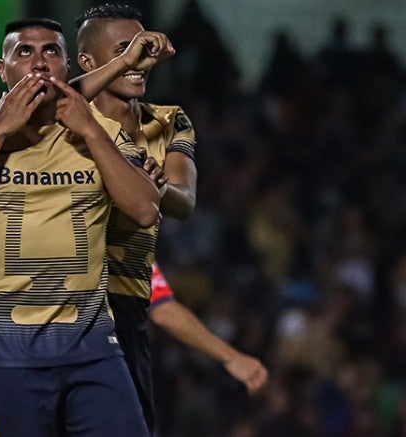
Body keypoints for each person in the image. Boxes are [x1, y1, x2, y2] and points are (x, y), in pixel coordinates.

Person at [0, 18, 161, 436]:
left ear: (67, 67)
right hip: (6, 355)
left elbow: (145, 210)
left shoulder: (100, 131)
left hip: (92, 350)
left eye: (51, 51)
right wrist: (0, 129)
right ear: (3, 71)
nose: (39, 62)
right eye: (24, 52)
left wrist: (89, 128)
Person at [71, 3, 268, 433]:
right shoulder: (66, 121)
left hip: (127, 311)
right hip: (62, 307)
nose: (141, 61)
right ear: (88, 62)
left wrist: (230, 356)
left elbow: (183, 201)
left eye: (144, 49)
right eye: (125, 50)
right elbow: (49, 104)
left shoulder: (169, 121)